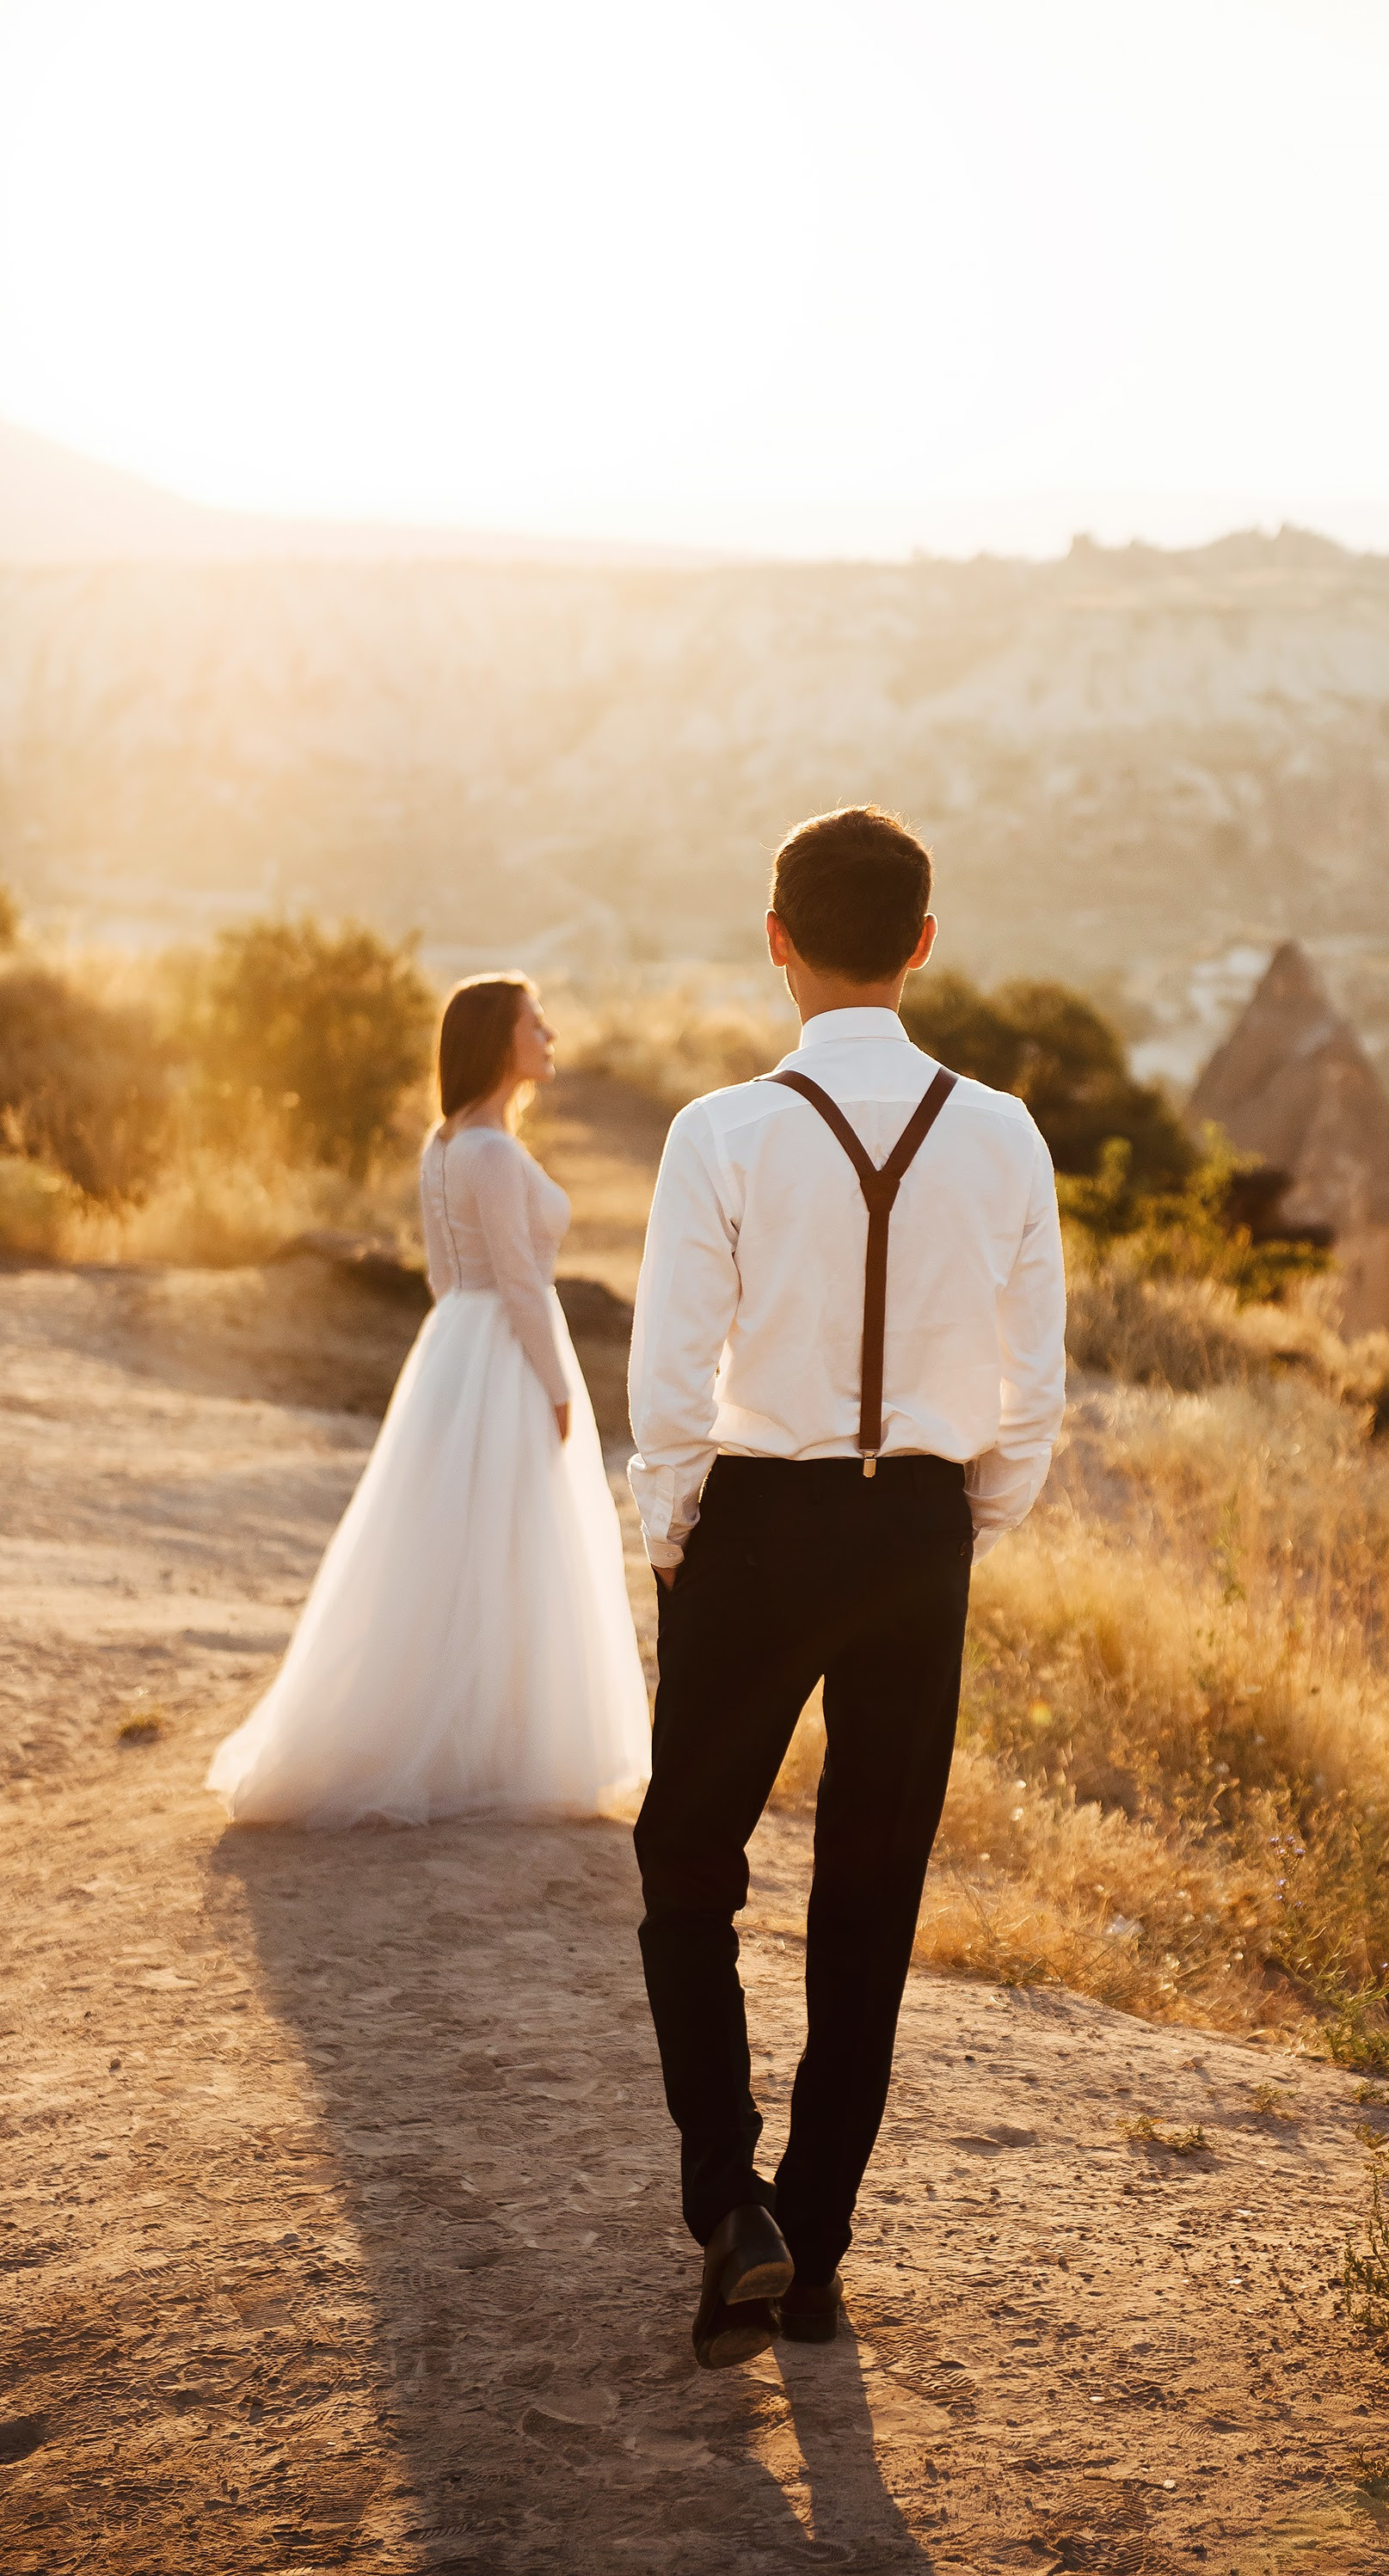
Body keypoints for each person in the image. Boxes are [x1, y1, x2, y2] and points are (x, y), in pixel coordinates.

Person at [628, 807, 1066, 2367]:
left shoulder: (720, 1132)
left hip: (754, 1522)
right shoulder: (1005, 1133)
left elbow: (673, 1372)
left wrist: (677, 1532)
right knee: (871, 1892)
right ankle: (811, 2249)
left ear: (777, 941)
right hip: (918, 1537)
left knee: (687, 1862)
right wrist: (958, 1522)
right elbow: (1034, 1387)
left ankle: (726, 2201)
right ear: (924, 943)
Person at [206, 973, 651, 1830]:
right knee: (513, 1540)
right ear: (497, 1041)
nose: (549, 1036)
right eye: (534, 1023)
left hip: (455, 1344)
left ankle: (466, 1739)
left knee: (456, 1541)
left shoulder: (444, 1145)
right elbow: (520, 1281)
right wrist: (559, 1387)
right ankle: (497, 1750)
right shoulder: (491, 1152)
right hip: (507, 1350)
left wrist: (463, 1352)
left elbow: (447, 1279)